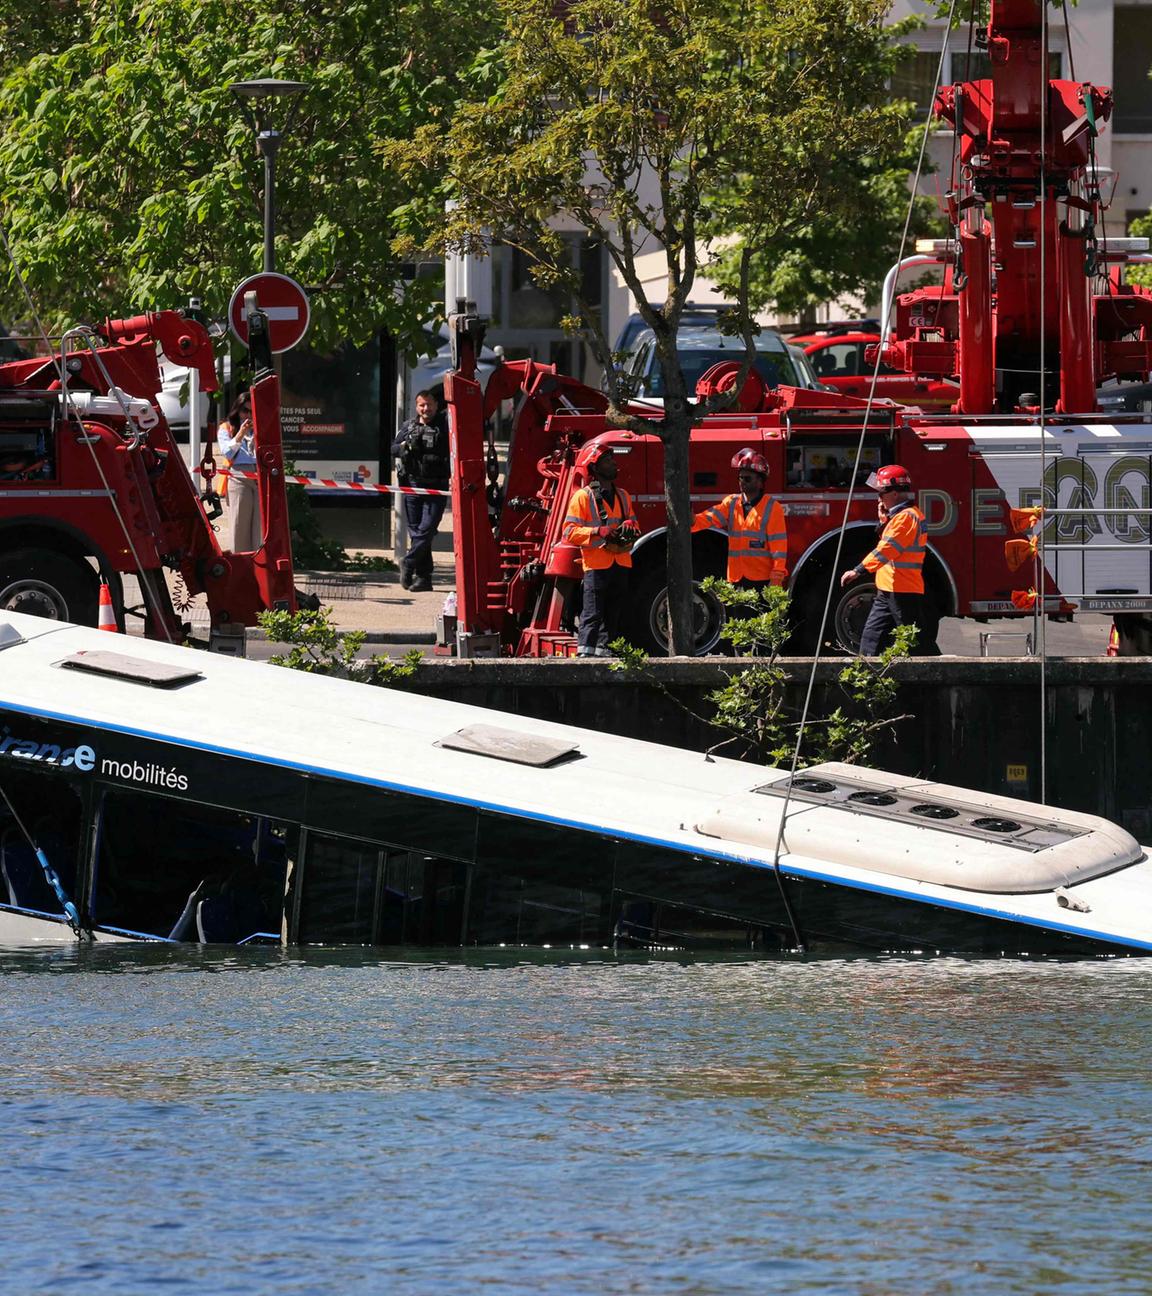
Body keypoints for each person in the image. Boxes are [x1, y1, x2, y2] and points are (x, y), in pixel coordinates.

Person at [840, 463, 940, 655]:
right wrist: (884, 521)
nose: (879, 498)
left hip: (902, 589)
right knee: (871, 637)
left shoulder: (906, 518)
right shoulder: (899, 517)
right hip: (889, 588)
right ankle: (866, 676)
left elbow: (886, 550)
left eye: (881, 493)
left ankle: (937, 674)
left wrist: (858, 570)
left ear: (894, 493)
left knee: (914, 640)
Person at [562, 444, 640, 657]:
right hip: (596, 565)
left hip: (620, 561)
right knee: (592, 613)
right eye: (607, 461)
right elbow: (569, 532)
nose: (614, 464)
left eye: (612, 460)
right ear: (595, 468)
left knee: (613, 613)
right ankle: (585, 654)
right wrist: (597, 530)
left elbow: (633, 522)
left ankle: (605, 652)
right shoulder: (582, 497)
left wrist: (631, 527)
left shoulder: (623, 495)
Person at [692, 447, 788, 594]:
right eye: (740, 478)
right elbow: (707, 519)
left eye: (747, 478)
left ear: (760, 482)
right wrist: (691, 521)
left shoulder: (772, 507)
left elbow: (779, 548)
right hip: (736, 579)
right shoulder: (731, 503)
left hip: (761, 581)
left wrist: (776, 578)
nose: (742, 482)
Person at [391, 390, 450, 591]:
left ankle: (408, 562)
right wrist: (406, 446)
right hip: (413, 484)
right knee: (416, 532)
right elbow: (393, 447)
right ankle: (424, 578)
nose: (426, 409)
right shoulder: (409, 426)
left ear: (436, 405)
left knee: (426, 530)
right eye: (422, 405)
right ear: (416, 407)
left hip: (437, 487)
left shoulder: (446, 426)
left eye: (429, 405)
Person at [218, 390, 262, 552]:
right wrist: (241, 433)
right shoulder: (226, 427)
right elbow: (227, 452)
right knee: (239, 523)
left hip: (259, 474)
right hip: (238, 475)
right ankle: (242, 562)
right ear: (238, 410)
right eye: (245, 411)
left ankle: (259, 560)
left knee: (260, 525)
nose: (248, 415)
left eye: (252, 411)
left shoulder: (261, 426)